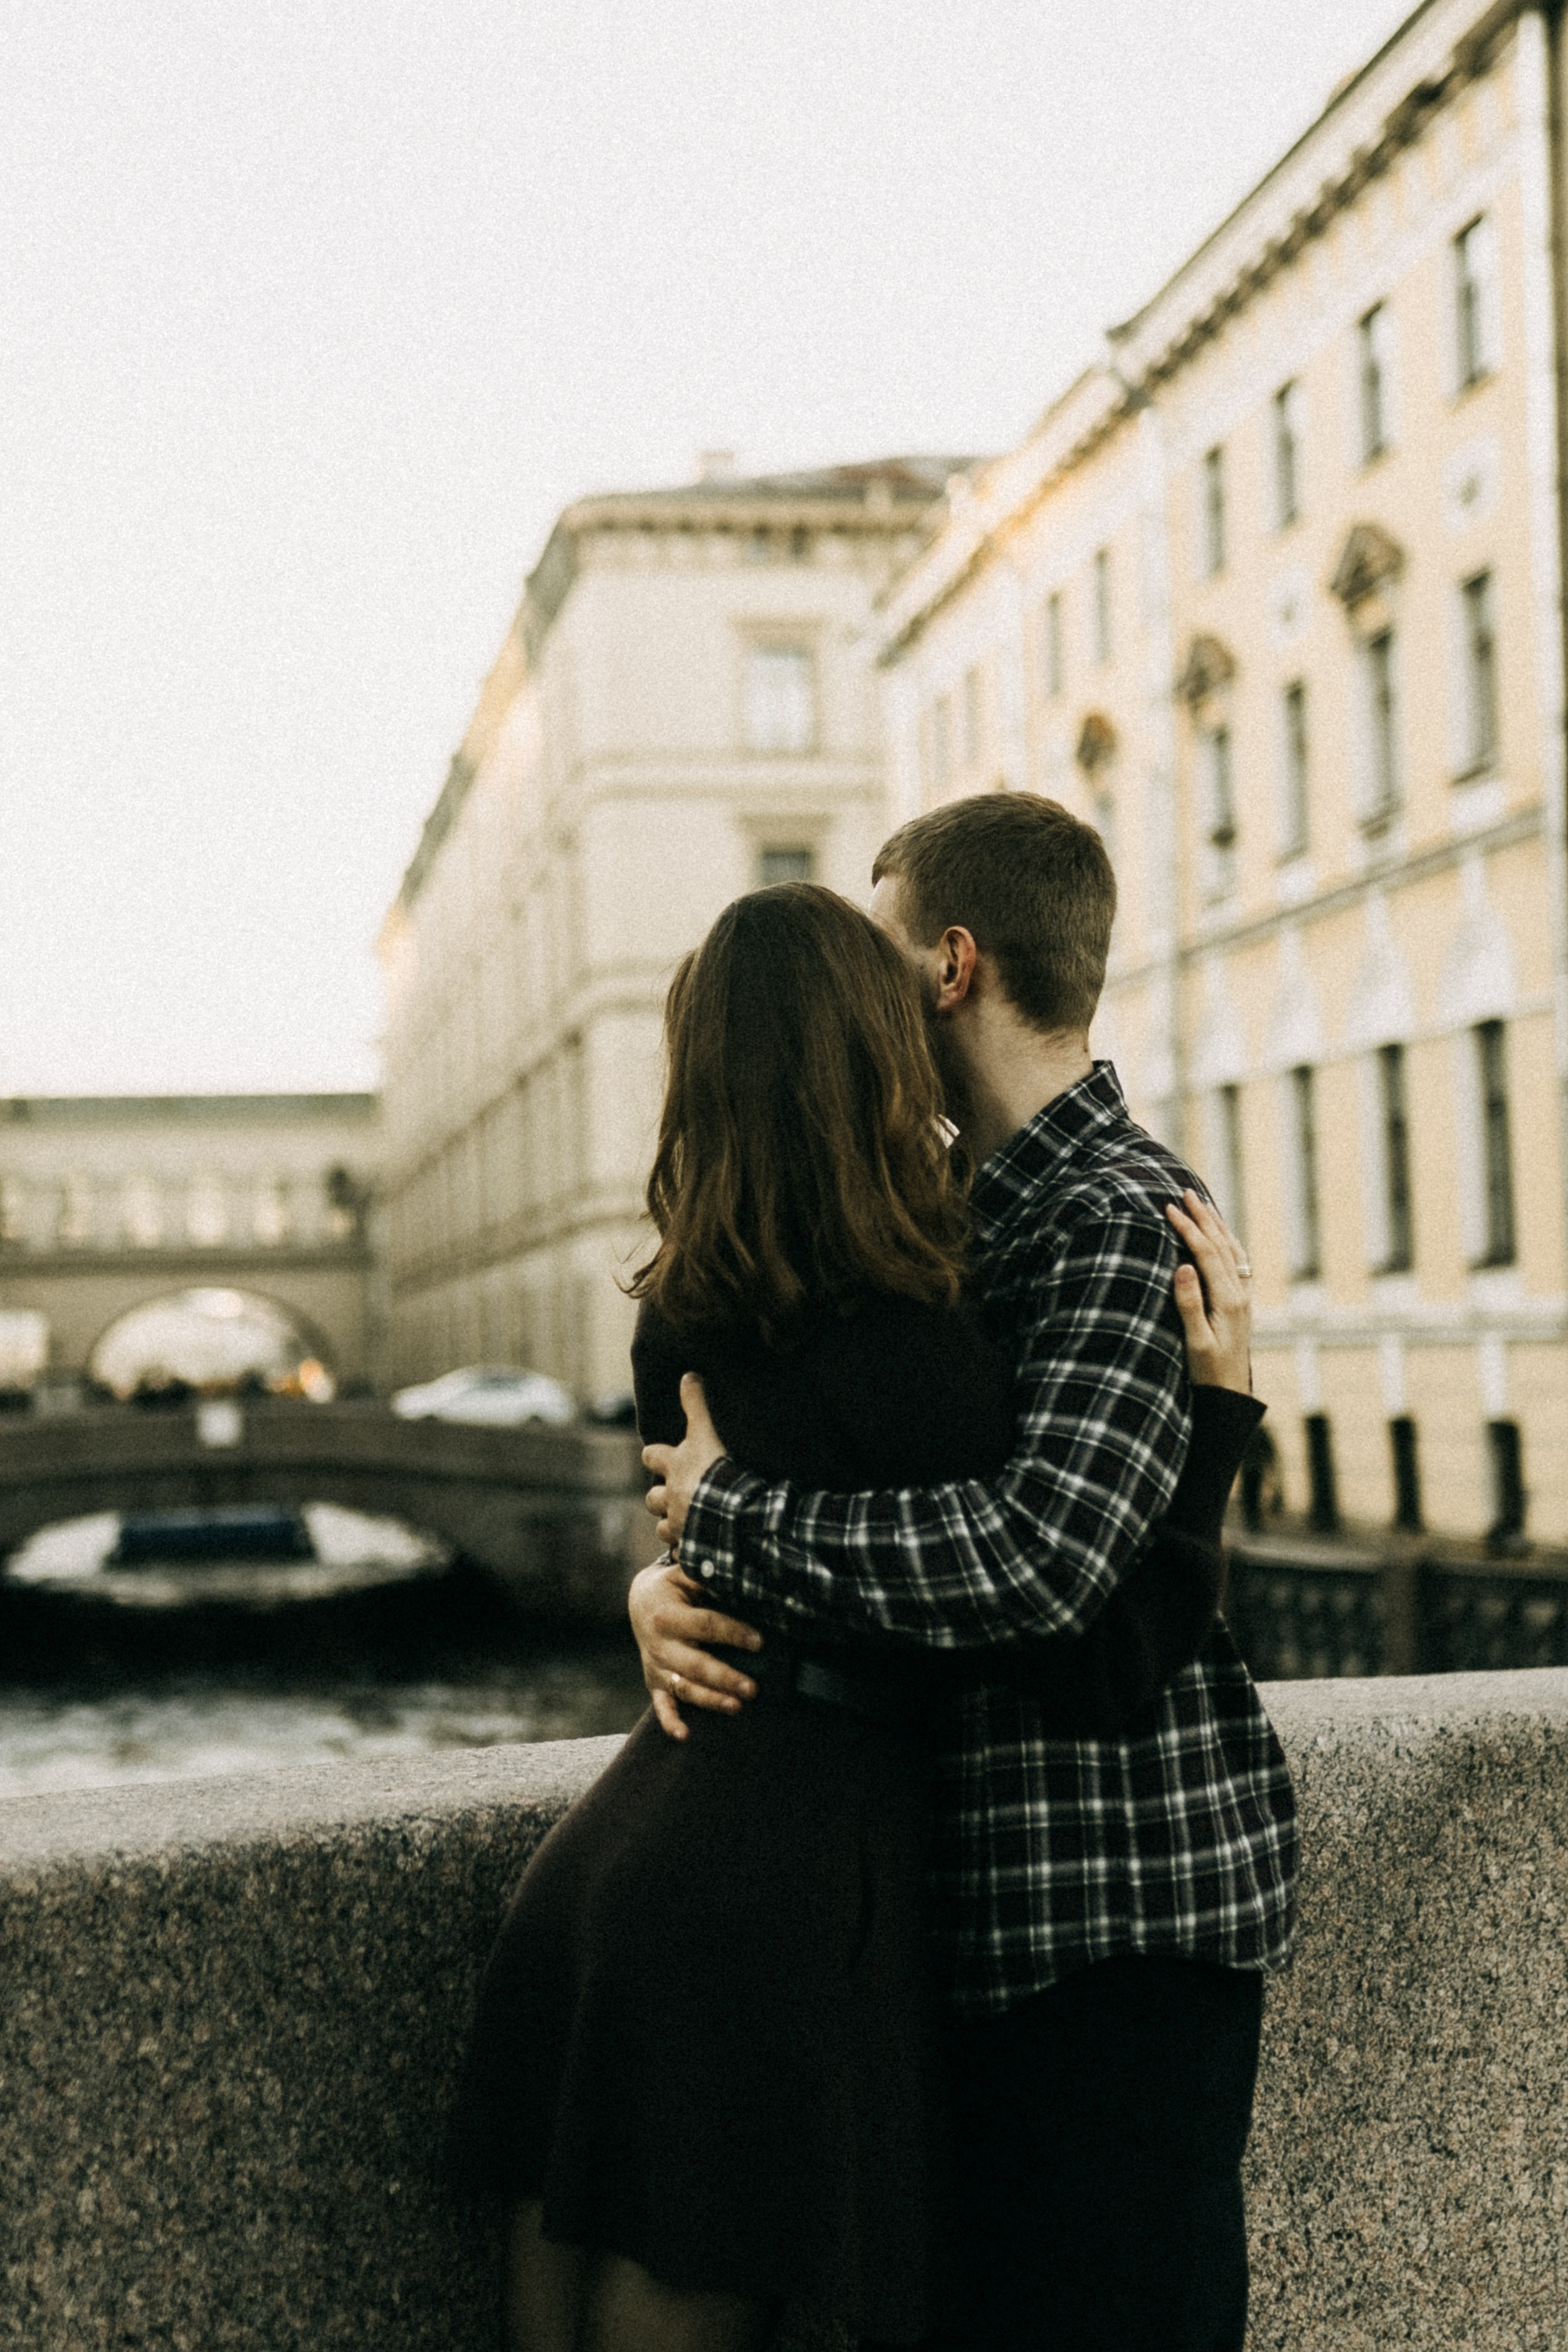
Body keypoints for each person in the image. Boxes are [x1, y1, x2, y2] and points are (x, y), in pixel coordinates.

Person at [447, 874, 1266, 2352]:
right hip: (773, 1882)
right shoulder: (922, 1327)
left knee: (557, 2304)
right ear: (866, 1042)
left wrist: (674, 1564)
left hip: (638, 1839)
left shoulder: (679, 1304)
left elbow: (735, 1527)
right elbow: (1073, 1625)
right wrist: (1213, 1435)